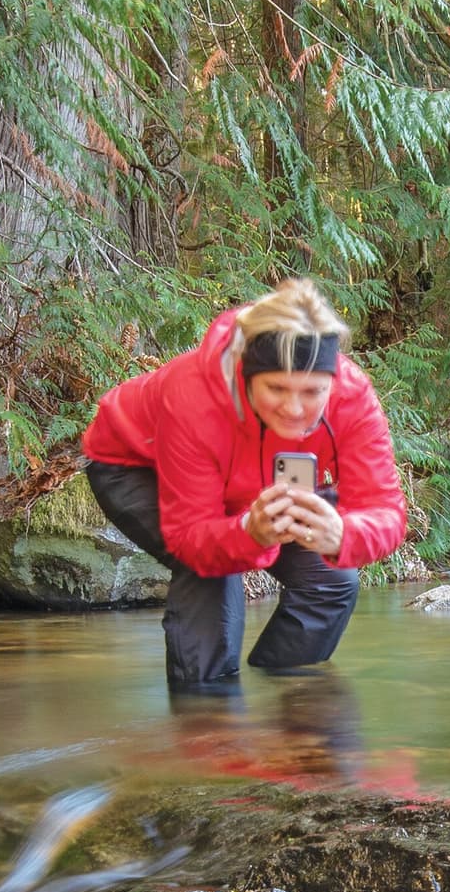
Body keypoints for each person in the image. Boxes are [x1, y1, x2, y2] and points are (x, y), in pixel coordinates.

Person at [81, 279, 407, 696]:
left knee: (332, 581)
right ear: (248, 374)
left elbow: (386, 512)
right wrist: (248, 534)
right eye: (276, 389)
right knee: (213, 577)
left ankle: (292, 710)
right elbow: (191, 536)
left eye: (312, 392)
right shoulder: (193, 397)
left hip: (251, 479)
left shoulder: (353, 397)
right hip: (132, 465)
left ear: (332, 381)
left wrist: (344, 534)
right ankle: (209, 726)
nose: (294, 408)